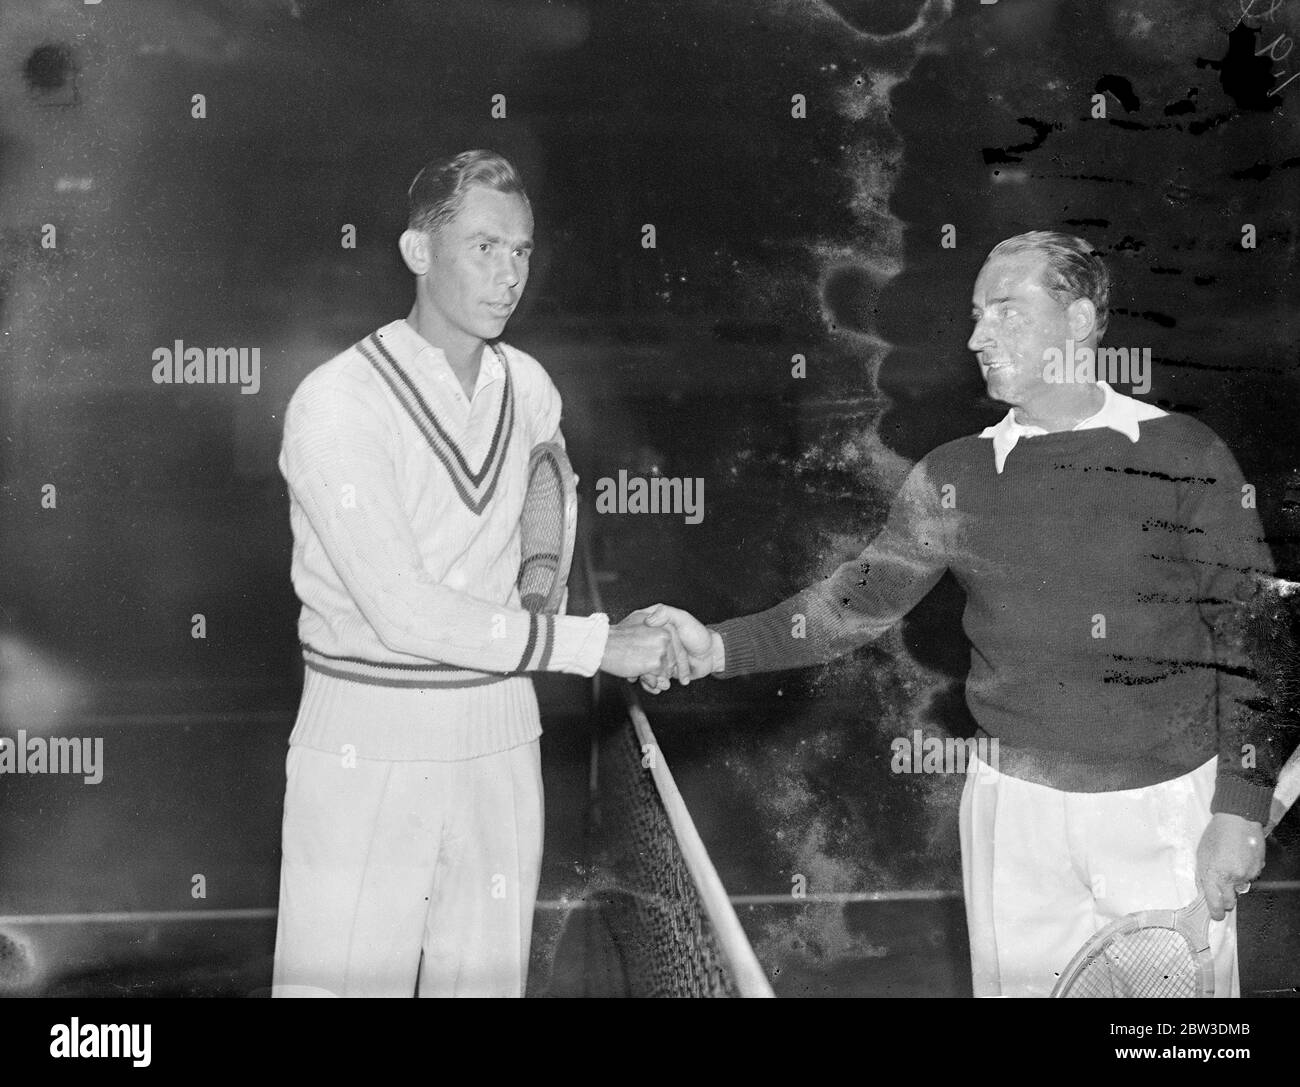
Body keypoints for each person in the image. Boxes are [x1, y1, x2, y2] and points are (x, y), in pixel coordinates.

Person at [639, 231, 1286, 997]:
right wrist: (713, 645)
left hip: (1162, 815)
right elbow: (852, 605)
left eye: (1007, 312)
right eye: (977, 315)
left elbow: (1254, 640)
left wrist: (1241, 806)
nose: (978, 337)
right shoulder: (953, 475)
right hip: (1012, 819)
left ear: (1079, 321)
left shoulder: (1183, 452)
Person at [272, 150, 678, 997]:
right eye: (485, 247)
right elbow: (404, 612)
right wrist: (596, 643)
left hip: (501, 735)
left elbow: (545, 524)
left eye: (523, 251)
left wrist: (544, 614)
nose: (509, 275)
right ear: (418, 251)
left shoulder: (530, 385)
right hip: (366, 740)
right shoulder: (336, 401)